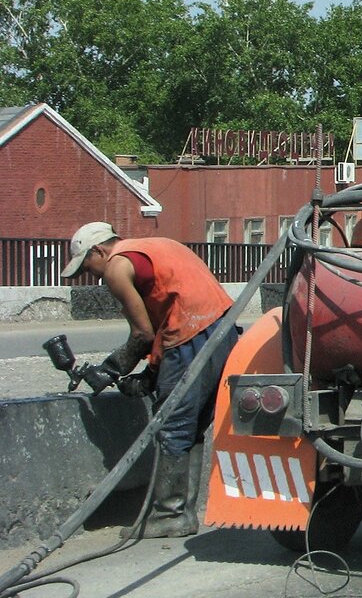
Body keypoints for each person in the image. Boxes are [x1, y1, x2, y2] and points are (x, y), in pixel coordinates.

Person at [61, 221, 240, 539]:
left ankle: (170, 514)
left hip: (192, 333)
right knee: (191, 425)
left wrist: (111, 369)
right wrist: (151, 374)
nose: (94, 276)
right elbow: (166, 321)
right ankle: (181, 514)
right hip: (221, 329)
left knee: (171, 426)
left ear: (99, 250)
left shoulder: (117, 267)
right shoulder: (156, 245)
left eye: (89, 266)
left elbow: (143, 334)